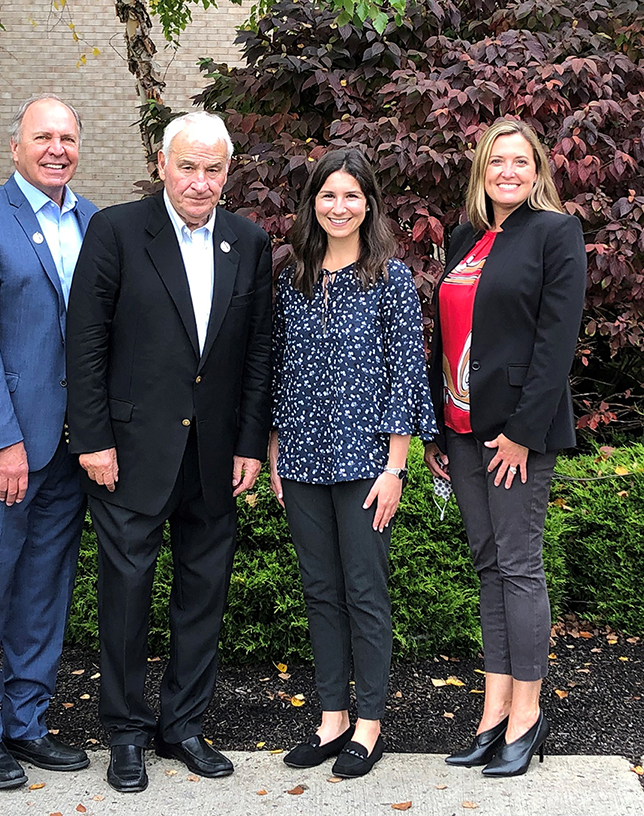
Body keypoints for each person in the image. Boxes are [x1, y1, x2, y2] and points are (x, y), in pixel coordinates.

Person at [66, 111, 272, 793]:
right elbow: (86, 341)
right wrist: (90, 437)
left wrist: (248, 442)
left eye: (215, 168)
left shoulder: (247, 241)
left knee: (202, 596)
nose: (201, 181)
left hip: (213, 456)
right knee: (125, 596)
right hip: (128, 451)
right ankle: (125, 733)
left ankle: (182, 724)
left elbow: (256, 354)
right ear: (163, 163)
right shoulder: (117, 231)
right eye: (189, 166)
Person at [0, 94, 96, 790]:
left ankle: (27, 722)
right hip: (1, 449)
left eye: (67, 137)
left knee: (43, 590)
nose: (56, 148)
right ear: (15, 147)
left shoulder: (94, 221)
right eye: (43, 136)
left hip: (70, 448)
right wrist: (4, 441)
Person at [423, 119, 586, 776]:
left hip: (516, 432)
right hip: (461, 429)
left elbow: (555, 343)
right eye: (497, 162)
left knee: (519, 566)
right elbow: (453, 334)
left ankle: (527, 716)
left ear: (537, 169)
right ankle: (493, 714)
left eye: (520, 161)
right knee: (488, 566)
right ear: (482, 171)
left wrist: (521, 433)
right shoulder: (466, 237)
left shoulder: (555, 233)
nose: (508, 172)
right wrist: (437, 425)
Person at [269, 148, 436, 778]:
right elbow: (280, 370)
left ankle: (370, 723)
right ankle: (331, 718)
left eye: (351, 196)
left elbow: (406, 376)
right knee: (320, 591)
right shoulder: (293, 280)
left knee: (364, 592)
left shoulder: (389, 277)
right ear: (313, 204)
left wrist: (396, 466)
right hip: (304, 456)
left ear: (369, 204)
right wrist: (278, 451)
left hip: (367, 462)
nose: (339, 208)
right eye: (328, 196)